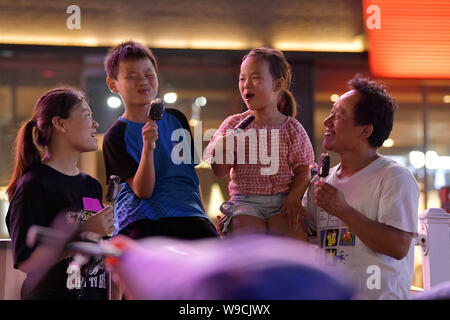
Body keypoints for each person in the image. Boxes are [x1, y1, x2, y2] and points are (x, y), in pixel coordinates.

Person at [303, 75, 420, 299]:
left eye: (338, 116)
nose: (327, 122)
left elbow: (398, 246)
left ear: (365, 131)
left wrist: (342, 210)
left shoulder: (394, 177)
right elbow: (305, 239)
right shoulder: (320, 182)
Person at [5, 87, 115, 300]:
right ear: (60, 124)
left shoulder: (91, 185)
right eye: (87, 116)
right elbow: (26, 260)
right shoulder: (34, 183)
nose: (95, 124)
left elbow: (94, 243)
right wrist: (83, 231)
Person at [102, 41, 218, 240]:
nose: (143, 82)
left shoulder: (177, 119)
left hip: (189, 215)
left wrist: (204, 216)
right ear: (113, 84)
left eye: (149, 75)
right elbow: (143, 191)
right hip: (144, 219)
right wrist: (148, 148)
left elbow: (189, 177)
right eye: (132, 77)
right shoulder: (115, 136)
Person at [203, 47, 314, 240]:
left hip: (283, 201)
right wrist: (222, 148)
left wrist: (294, 198)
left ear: (277, 84)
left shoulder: (292, 128)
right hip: (245, 202)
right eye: (242, 78)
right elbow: (219, 172)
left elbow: (303, 171)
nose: (246, 84)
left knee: (294, 239)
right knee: (250, 238)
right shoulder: (232, 124)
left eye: (255, 78)